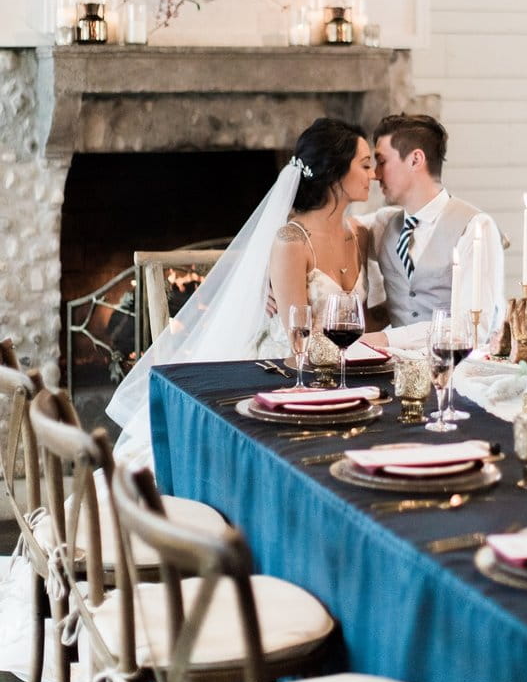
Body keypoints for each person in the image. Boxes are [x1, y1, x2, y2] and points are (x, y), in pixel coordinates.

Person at [106, 117, 375, 465]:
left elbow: (359, 320)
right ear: (335, 171)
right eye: (366, 165)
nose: (374, 175)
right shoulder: (292, 240)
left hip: (344, 369)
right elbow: (297, 336)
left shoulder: (360, 233)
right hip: (283, 371)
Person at [362, 113, 504, 351]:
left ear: (415, 159)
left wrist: (387, 339)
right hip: (391, 371)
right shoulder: (383, 224)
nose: (376, 174)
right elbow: (319, 236)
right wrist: (277, 267)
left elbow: (473, 326)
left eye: (382, 161)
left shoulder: (475, 227)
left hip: (453, 371)